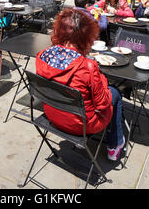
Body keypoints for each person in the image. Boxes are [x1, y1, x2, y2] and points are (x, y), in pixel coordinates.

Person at [36, 8, 124, 161]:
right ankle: (114, 145)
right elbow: (102, 105)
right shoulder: (88, 66)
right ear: (86, 36)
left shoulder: (43, 55)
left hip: (53, 115)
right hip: (82, 126)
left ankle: (88, 144)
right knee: (115, 93)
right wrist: (102, 79)